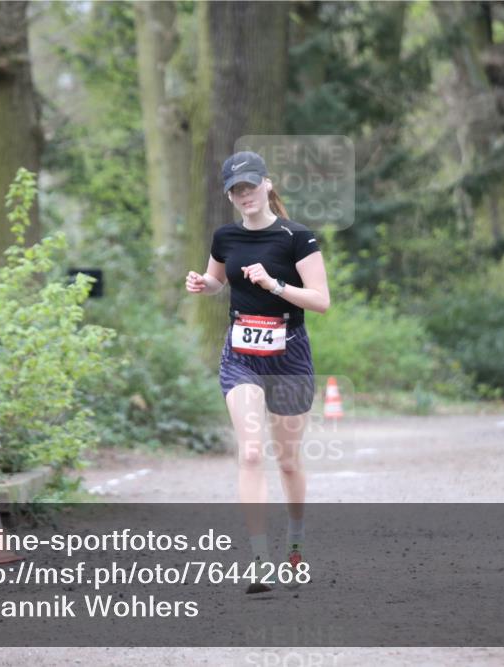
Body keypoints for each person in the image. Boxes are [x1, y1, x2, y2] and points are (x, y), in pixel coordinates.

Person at [185, 150, 330, 594]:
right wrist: (204, 285)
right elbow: (218, 280)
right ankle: (259, 560)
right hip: (241, 355)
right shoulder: (225, 237)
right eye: (236, 190)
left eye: (250, 185)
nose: (245, 194)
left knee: (287, 461)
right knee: (250, 453)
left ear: (267, 184)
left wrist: (274, 285)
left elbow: (321, 301)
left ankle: (295, 546)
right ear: (230, 196)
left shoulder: (297, 237)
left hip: (290, 355)